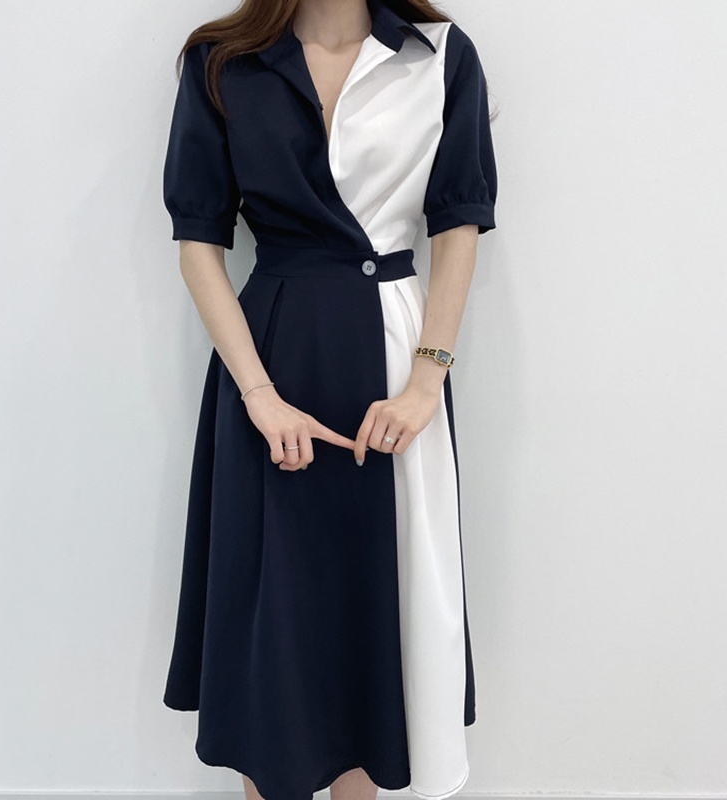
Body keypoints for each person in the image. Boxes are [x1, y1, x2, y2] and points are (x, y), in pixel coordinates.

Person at [160, 0, 498, 798]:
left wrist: (426, 381)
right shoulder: (224, 62)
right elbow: (198, 242)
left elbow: (458, 223)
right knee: (274, 621)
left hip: (394, 361)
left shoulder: (438, 56)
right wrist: (259, 396)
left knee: (370, 607)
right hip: (269, 361)